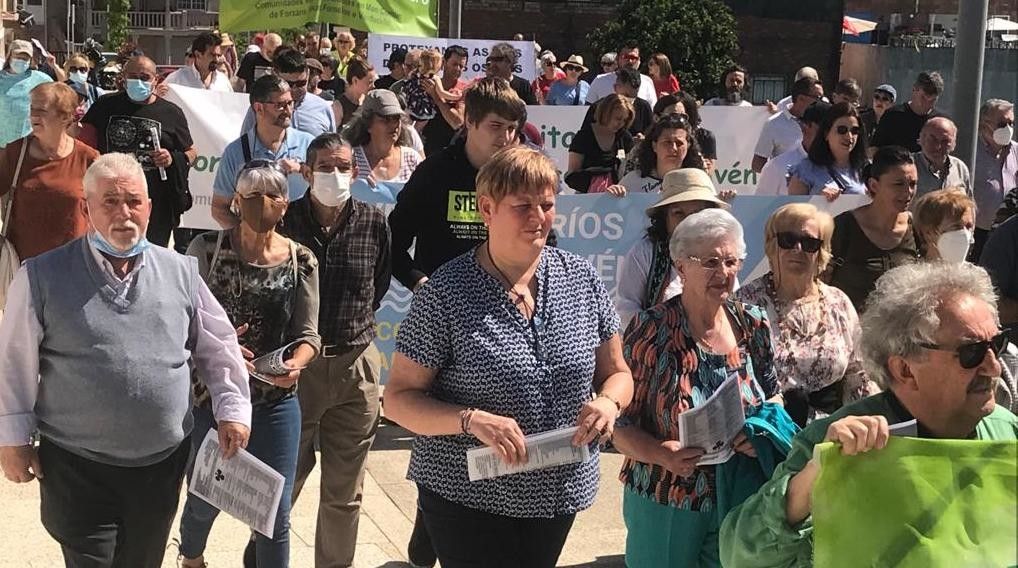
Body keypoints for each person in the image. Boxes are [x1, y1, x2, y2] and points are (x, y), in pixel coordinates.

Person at [383, 145, 634, 568]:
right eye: (522, 206)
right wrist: (470, 419)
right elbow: (398, 400)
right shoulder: (446, 293)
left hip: (557, 488)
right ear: (487, 209)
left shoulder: (581, 278)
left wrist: (609, 402)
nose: (538, 217)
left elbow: (619, 373)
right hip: (465, 492)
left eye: (547, 204)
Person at [0, 153, 252, 567]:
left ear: (150, 208)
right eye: (110, 202)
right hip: (76, 466)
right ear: (86, 208)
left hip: (159, 466)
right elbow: (13, 362)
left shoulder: (181, 271)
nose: (124, 213)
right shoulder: (42, 276)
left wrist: (233, 410)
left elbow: (218, 345)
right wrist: (13, 439)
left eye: (134, 201)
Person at [720, 262, 1018, 567]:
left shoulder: (1006, 431)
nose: (994, 367)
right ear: (905, 369)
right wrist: (812, 481)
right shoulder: (838, 444)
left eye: (997, 344)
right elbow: (739, 556)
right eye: (972, 353)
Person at [614, 208, 780, 567]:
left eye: (731, 261)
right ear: (681, 267)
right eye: (710, 262)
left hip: (740, 492)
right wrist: (661, 453)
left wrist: (761, 434)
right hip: (668, 495)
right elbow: (619, 425)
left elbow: (774, 396)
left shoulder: (753, 322)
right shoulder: (650, 330)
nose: (724, 273)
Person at [177, 161, 320, 568]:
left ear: (286, 204)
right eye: (253, 195)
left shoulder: (301, 260)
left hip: (276, 400)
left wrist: (297, 363)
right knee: (205, 496)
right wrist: (220, 347)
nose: (263, 204)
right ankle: (191, 557)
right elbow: (183, 321)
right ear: (236, 201)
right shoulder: (205, 249)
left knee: (274, 513)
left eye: (273, 195)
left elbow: (309, 334)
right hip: (213, 398)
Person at [276, 133, 392, 568]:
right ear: (306, 172)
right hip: (295, 372)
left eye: (343, 166)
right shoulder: (284, 221)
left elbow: (377, 285)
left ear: (356, 172)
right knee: (281, 482)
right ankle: (265, 559)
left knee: (344, 494)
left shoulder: (373, 222)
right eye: (325, 166)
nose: (335, 174)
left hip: (355, 366)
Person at [736, 204, 872, 427]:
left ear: (821, 252)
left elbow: (858, 374)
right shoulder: (744, 302)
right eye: (787, 240)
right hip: (768, 432)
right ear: (772, 246)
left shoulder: (838, 302)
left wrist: (869, 422)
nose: (797, 248)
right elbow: (732, 375)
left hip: (833, 434)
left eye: (809, 243)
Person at [389, 76, 527, 293]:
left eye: (511, 128)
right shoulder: (434, 172)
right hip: (442, 306)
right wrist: (419, 283)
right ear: (470, 121)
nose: (505, 136)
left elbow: (544, 243)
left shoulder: (519, 178)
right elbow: (392, 241)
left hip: (501, 304)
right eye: (496, 126)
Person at [79, 56, 196, 247]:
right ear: (123, 78)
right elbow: (83, 141)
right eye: (133, 76)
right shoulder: (105, 105)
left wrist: (172, 159)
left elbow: (191, 152)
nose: (138, 81)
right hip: (109, 198)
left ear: (156, 80)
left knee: (150, 256)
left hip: (155, 203)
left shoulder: (171, 112)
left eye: (144, 76)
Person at [615, 168, 727, 327]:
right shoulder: (646, 253)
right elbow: (626, 309)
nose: (688, 222)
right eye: (678, 213)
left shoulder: (723, 257)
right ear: (665, 218)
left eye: (697, 213)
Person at [0, 83, 99, 260]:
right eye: (32, 108)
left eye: (42, 110)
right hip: (24, 267)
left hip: (74, 264)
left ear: (65, 117)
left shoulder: (88, 158)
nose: (33, 115)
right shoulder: (15, 152)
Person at [211, 75, 314, 229]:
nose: (287, 110)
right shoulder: (236, 152)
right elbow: (219, 209)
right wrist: (246, 236)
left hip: (301, 237)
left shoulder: (309, 144)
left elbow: (328, 194)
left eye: (290, 103)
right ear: (259, 108)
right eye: (280, 105)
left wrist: (302, 170)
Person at [826, 146, 921, 310]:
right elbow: (819, 283)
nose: (908, 192)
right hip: (851, 330)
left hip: (900, 330)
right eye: (899, 184)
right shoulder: (843, 227)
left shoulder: (917, 229)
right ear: (874, 185)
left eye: (913, 184)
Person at [240, 47, 337, 138]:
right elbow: (245, 146)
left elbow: (331, 148)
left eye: (301, 83)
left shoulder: (323, 108)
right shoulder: (261, 108)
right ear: (275, 74)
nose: (294, 89)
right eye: (288, 84)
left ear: (307, 74)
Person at [788, 102, 868, 199]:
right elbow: (792, 210)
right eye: (842, 130)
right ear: (826, 134)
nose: (849, 136)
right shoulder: (804, 170)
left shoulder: (866, 169)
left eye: (855, 131)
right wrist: (818, 199)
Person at [344, 89, 423, 184]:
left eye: (396, 118)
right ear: (368, 124)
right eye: (386, 119)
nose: (393, 125)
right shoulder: (352, 159)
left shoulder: (412, 159)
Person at [972, 99, 1018, 260]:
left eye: (1011, 123)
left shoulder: (1016, 151)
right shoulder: (971, 150)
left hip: (1009, 233)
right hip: (977, 233)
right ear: (984, 124)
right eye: (1002, 124)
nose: (1008, 129)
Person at [617, 114, 704, 195]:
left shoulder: (697, 183)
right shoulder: (632, 181)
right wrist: (613, 195)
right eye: (667, 142)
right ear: (654, 146)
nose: (673, 148)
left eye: (679, 143)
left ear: (688, 145)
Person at [756, 101, 830, 196]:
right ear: (805, 127)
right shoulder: (777, 166)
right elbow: (759, 208)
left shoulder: (845, 168)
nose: (829, 135)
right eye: (824, 129)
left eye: (835, 129)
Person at [566, 94, 634, 193]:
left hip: (620, 197)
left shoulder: (625, 137)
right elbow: (572, 175)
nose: (621, 124)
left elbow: (630, 170)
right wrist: (598, 185)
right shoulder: (584, 137)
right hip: (587, 199)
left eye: (624, 120)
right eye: (618, 118)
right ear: (605, 113)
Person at [753, 78, 822, 173]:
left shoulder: (823, 123)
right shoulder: (774, 123)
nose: (822, 103)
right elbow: (757, 164)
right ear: (801, 98)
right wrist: (784, 176)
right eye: (818, 98)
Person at [870, 71, 944, 153]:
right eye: (923, 97)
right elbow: (874, 149)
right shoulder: (893, 116)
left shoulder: (940, 122)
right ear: (914, 89)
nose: (927, 103)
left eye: (933, 100)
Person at [0, 40, 53, 149]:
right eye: (18, 57)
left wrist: (55, 67)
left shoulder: (41, 79)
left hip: (28, 145)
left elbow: (63, 89)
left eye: (25, 58)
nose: (21, 61)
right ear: (10, 55)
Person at [421, 45, 470, 157]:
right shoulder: (430, 82)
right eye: (454, 64)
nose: (458, 69)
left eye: (461, 66)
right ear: (444, 62)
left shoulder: (464, 90)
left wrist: (436, 97)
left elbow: (457, 122)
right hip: (425, 147)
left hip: (450, 150)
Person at [912, 117, 972, 199]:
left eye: (945, 141)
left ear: (953, 144)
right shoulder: (909, 166)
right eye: (932, 139)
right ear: (921, 139)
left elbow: (968, 204)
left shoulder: (960, 168)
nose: (938, 146)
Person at [913, 189, 976, 262]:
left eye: (968, 226)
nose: (965, 234)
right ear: (929, 233)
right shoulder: (910, 272)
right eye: (956, 227)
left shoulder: (976, 273)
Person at [586, 41, 656, 106]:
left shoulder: (647, 82)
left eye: (633, 57)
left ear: (639, 61)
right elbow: (588, 109)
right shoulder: (600, 81)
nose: (630, 61)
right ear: (617, 59)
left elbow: (652, 111)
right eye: (626, 57)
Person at [162, 32, 232, 92]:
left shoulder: (223, 81)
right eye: (212, 55)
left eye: (218, 55)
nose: (216, 60)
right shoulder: (177, 79)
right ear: (198, 55)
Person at [336, 58, 376, 127]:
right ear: (355, 80)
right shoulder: (338, 106)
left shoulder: (369, 102)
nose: (373, 86)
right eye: (369, 82)